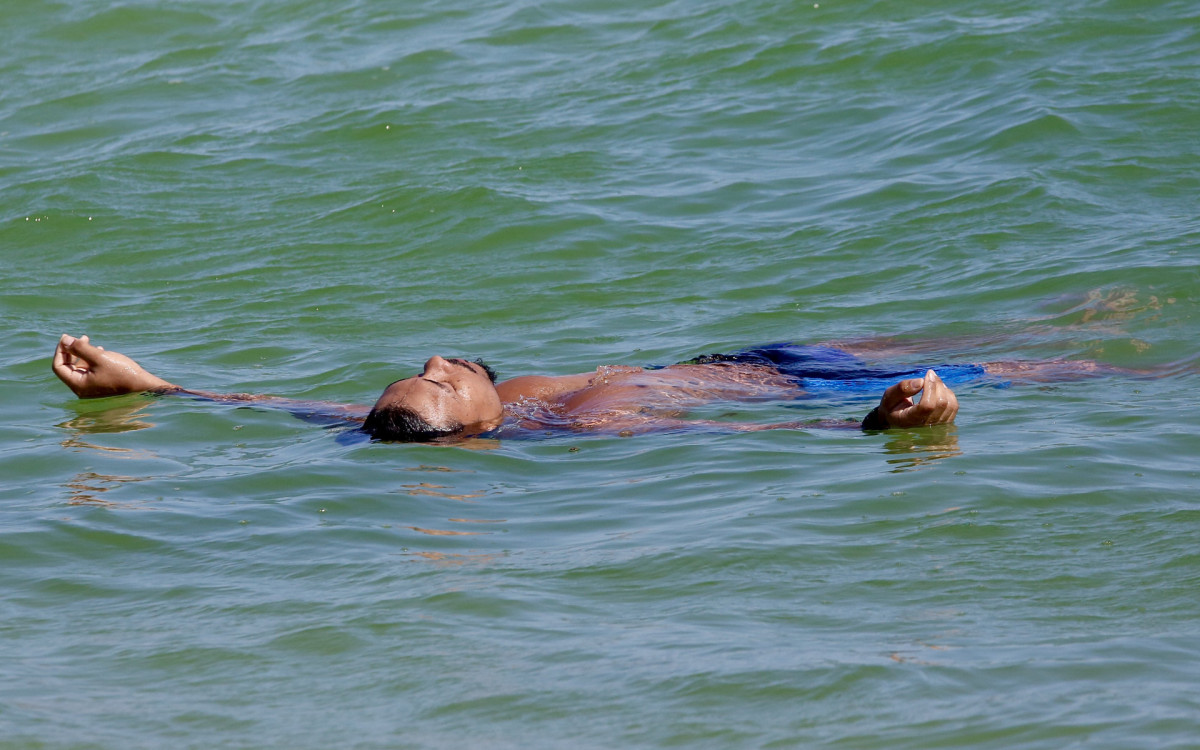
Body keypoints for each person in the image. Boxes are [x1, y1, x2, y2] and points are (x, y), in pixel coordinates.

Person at [52, 334, 971, 442]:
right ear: (470, 433)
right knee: (1045, 366)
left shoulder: (377, 420)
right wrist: (885, 422)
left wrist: (150, 385)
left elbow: (261, 406)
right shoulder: (587, 435)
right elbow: (755, 443)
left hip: (742, 346)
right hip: (796, 388)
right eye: (439, 385)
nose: (438, 365)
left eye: (420, 373)